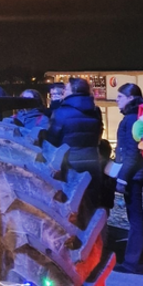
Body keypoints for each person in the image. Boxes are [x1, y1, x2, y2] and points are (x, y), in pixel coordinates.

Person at [112, 83, 143, 273]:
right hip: (138, 173)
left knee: (135, 217)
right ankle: (138, 258)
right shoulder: (139, 117)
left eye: (120, 97)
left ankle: (135, 262)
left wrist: (122, 178)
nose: (116, 100)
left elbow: (131, 154)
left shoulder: (130, 120)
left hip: (133, 175)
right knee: (136, 216)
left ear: (130, 98)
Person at [46, 76, 103, 205]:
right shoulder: (96, 111)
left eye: (66, 88)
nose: (63, 92)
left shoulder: (61, 112)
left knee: (71, 202)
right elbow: (98, 135)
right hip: (92, 162)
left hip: (69, 164)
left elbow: (52, 141)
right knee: (91, 200)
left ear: (73, 91)